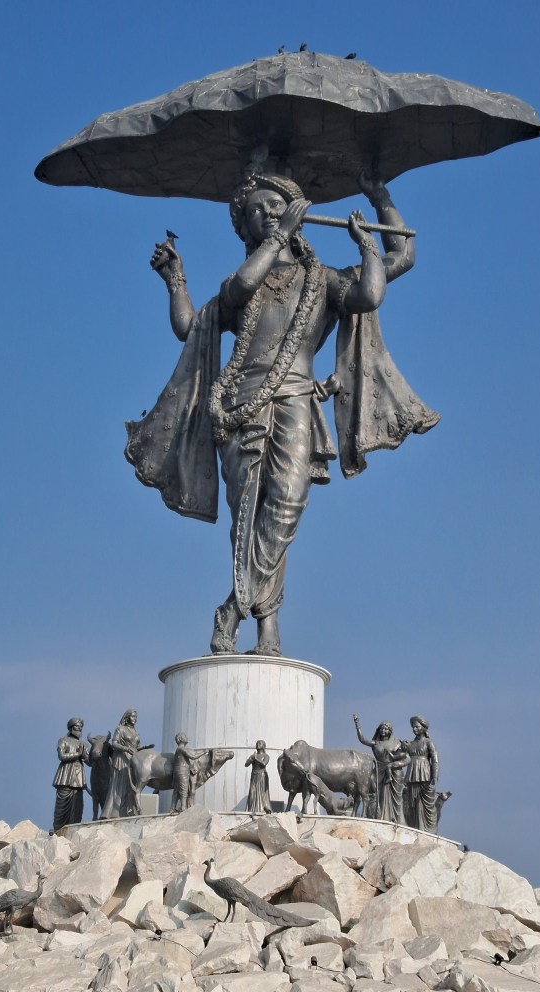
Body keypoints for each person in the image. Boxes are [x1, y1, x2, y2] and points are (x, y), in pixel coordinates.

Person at [127, 170, 437, 656]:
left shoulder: (322, 279)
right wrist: (175, 280)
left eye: (277, 205)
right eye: (258, 208)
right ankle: (268, 629)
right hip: (238, 408)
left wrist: (378, 206)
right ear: (244, 226)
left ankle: (234, 606)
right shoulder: (243, 285)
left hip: (295, 399)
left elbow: (389, 272)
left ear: (297, 212)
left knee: (287, 503)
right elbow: (192, 325)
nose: (269, 213)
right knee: (249, 515)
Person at [353, 715, 409, 823]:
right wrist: (357, 724)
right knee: (380, 796)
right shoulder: (376, 743)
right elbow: (362, 739)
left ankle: (398, 820)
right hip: (380, 771)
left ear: (390, 731)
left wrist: (395, 764)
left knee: (396, 798)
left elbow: (407, 758)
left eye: (386, 729)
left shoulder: (397, 743)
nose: (383, 731)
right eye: (382, 729)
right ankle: (382, 817)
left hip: (395, 772)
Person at [100, 709, 152, 819]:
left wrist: (144, 748)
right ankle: (115, 812)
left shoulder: (135, 731)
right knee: (120, 785)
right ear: (127, 717)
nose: (135, 719)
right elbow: (114, 743)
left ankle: (129, 810)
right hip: (122, 759)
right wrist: (126, 748)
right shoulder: (120, 729)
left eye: (136, 717)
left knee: (131, 785)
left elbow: (136, 747)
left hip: (133, 760)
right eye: (132, 716)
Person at [402, 715, 440, 833]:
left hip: (425, 774)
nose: (414, 729)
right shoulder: (410, 744)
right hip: (412, 774)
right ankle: (415, 826)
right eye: (413, 727)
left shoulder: (429, 742)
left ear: (423, 728)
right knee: (412, 802)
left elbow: (435, 760)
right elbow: (403, 757)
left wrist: (435, 776)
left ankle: (428, 829)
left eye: (417, 727)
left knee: (426, 803)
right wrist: (404, 747)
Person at [52, 717, 90, 830]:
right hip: (65, 776)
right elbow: (62, 756)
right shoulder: (63, 740)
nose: (79, 728)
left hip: (78, 778)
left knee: (77, 807)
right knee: (62, 806)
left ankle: (73, 831)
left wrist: (90, 756)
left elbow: (89, 762)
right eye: (77, 726)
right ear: (71, 727)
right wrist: (78, 754)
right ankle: (58, 831)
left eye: (81, 727)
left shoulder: (84, 744)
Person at [170, 732, 203, 813]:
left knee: (176, 790)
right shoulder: (182, 749)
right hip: (182, 771)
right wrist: (203, 752)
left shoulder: (178, 750)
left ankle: (172, 808)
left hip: (177, 771)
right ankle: (183, 807)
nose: (186, 737)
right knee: (184, 790)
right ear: (180, 739)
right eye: (184, 736)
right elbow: (193, 756)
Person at [244, 739, 272, 814]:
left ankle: (264, 807)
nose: (258, 744)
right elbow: (246, 764)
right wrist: (251, 759)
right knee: (252, 792)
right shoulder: (253, 756)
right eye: (257, 743)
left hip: (262, 775)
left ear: (264, 746)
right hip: (254, 776)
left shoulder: (266, 756)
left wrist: (255, 758)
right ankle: (252, 808)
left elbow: (264, 764)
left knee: (262, 793)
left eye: (260, 743)